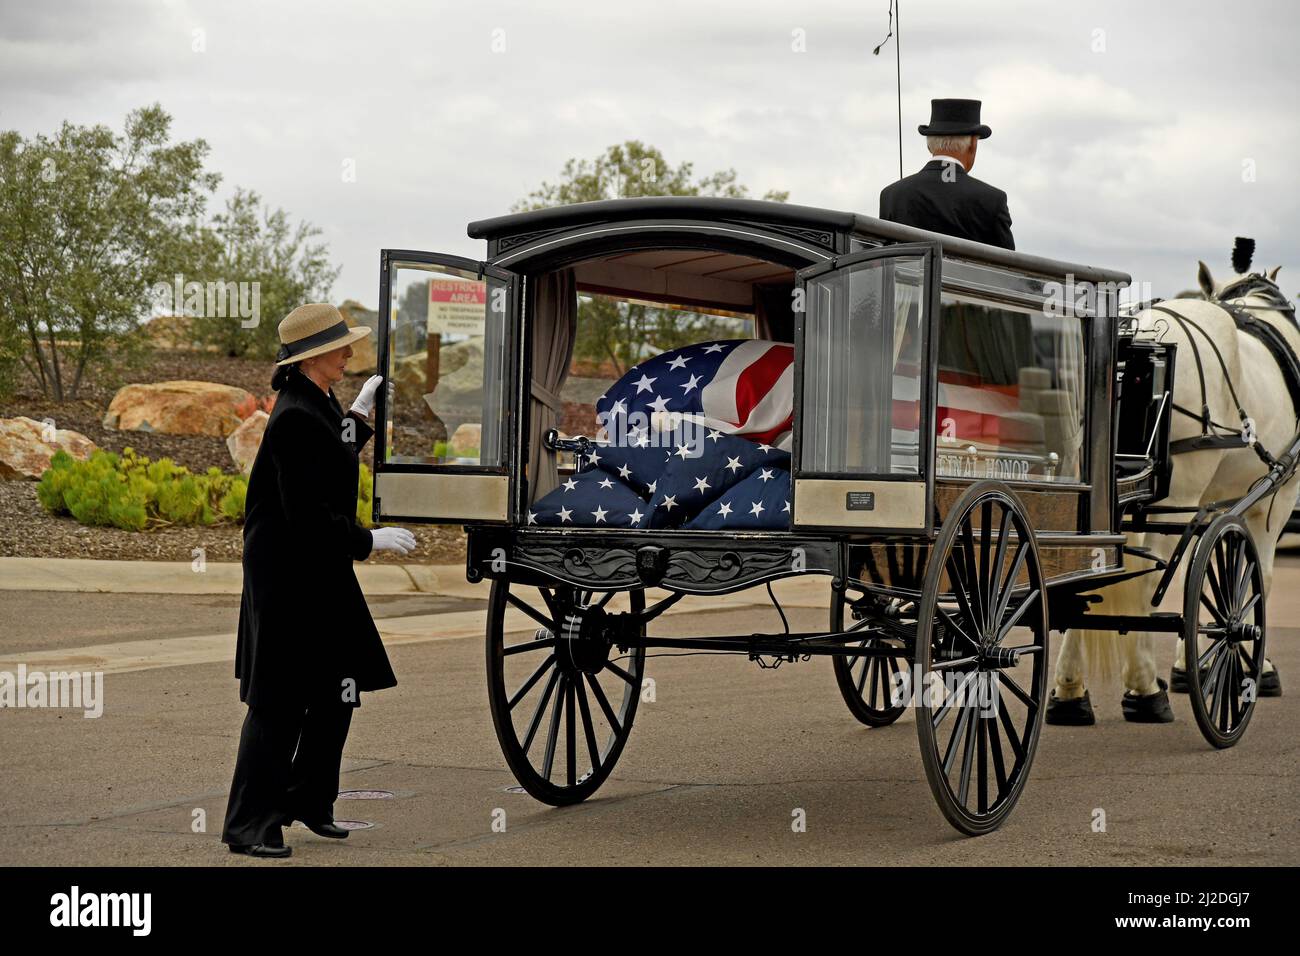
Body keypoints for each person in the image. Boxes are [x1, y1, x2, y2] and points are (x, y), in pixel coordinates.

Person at [221, 303, 417, 859]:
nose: (349, 353)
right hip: (288, 574)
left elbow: (330, 459)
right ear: (313, 357)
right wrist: (367, 541)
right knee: (279, 702)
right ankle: (249, 824)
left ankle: (307, 799)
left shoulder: (316, 403)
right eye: (340, 346)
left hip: (316, 569)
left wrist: (356, 416)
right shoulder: (293, 417)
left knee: (340, 687)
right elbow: (306, 515)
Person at [879, 98, 1015, 250]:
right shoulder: (993, 200)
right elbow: (1010, 269)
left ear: (929, 146)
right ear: (972, 145)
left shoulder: (891, 195)